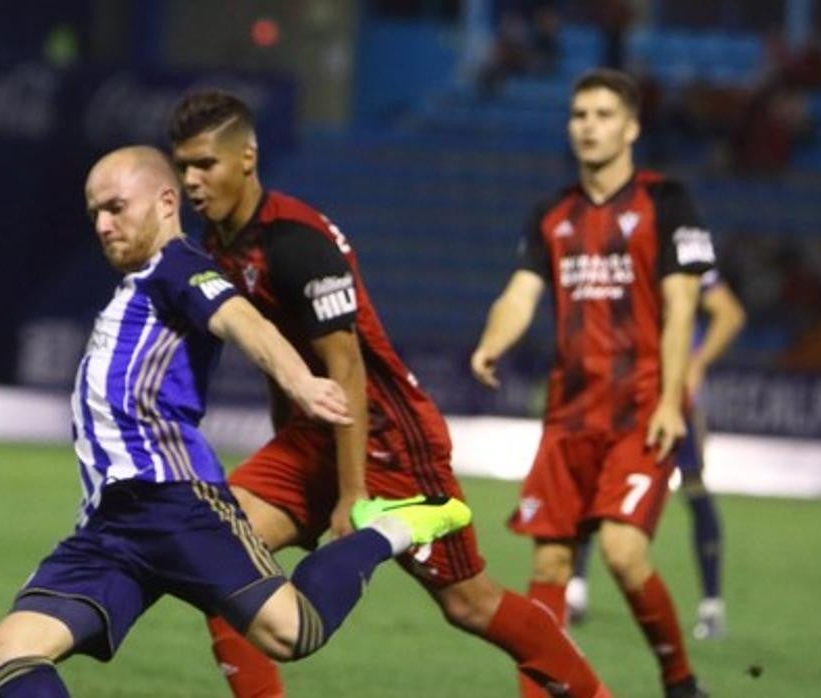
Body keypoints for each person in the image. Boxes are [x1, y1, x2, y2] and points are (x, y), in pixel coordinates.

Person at [0, 145, 474, 696]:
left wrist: (299, 380)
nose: (102, 224)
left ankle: (392, 528)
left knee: (294, 633)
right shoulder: (137, 285)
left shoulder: (180, 266)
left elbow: (243, 320)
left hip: (177, 502)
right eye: (94, 212)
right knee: (12, 651)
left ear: (166, 202)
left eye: (116, 207)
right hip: (110, 524)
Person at [169, 91, 610, 698]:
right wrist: (286, 439)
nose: (192, 181)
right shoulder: (219, 243)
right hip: (313, 438)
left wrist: (351, 495)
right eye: (183, 166)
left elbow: (346, 368)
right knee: (218, 557)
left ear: (247, 157)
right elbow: (277, 353)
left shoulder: (296, 243)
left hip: (388, 442)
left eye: (204, 165)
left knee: (470, 605)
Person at [470, 69, 713, 698]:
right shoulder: (551, 215)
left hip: (640, 413)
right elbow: (520, 295)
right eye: (579, 115)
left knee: (623, 552)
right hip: (569, 417)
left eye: (604, 114)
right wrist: (494, 340)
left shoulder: (667, 201)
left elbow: (682, 305)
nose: (589, 126)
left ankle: (679, 681)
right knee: (548, 565)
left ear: (631, 127)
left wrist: (670, 399)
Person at [565, 269, 746, 641]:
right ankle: (575, 590)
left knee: (692, 487)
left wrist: (696, 363)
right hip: (621, 391)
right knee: (594, 479)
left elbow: (729, 314)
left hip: (670, 397)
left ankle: (711, 607)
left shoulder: (686, 255)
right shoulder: (625, 251)